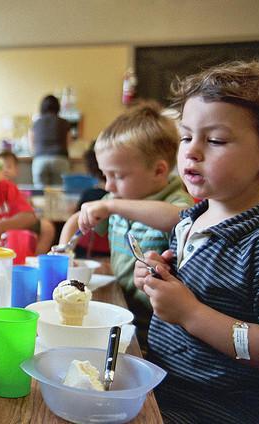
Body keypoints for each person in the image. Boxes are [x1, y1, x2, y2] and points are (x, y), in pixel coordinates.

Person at [132, 61, 259, 422]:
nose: (192, 151)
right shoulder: (191, 220)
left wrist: (191, 313)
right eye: (186, 137)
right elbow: (192, 288)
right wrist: (157, 277)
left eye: (215, 140)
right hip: (161, 387)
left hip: (214, 410)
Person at [58, 101, 193, 349]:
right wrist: (64, 249)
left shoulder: (173, 199)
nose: (108, 186)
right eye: (105, 175)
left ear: (159, 171)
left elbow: (180, 217)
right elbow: (79, 218)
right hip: (120, 304)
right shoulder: (119, 197)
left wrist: (111, 207)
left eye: (118, 176)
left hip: (155, 325)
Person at [0, 150, 56, 253]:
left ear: (16, 170)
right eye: (0, 167)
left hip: (21, 224)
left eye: (9, 167)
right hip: (0, 223)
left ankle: (35, 259)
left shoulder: (22, 192)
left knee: (47, 227)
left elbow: (30, 212)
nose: (4, 170)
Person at [29, 94, 71, 186]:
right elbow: (68, 143)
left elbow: (32, 145)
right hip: (60, 158)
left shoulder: (36, 123)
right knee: (59, 192)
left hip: (40, 160)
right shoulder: (64, 122)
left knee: (40, 193)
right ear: (58, 107)